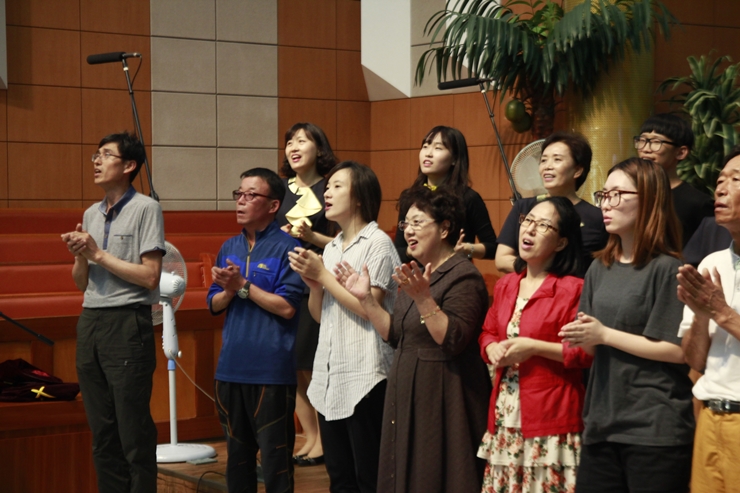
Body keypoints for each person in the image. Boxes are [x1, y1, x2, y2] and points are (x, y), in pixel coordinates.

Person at [337, 188, 491, 493]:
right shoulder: (415, 274)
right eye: (406, 223)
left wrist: (423, 299)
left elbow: (453, 339)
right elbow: (395, 335)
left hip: (445, 397)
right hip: (408, 391)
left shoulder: (464, 276)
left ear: (444, 228)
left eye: (418, 222)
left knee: (436, 476)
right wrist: (366, 299)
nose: (408, 231)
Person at [560, 158, 695, 493]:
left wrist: (604, 334)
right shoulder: (599, 267)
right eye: (604, 195)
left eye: (617, 194)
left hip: (654, 426)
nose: (606, 204)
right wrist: (582, 335)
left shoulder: (668, 269)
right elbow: (592, 347)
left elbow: (676, 350)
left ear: (649, 199)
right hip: (602, 421)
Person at [288, 161, 400, 493]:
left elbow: (370, 309)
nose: (328, 192)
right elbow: (320, 315)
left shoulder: (377, 243)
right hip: (331, 374)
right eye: (328, 187)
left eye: (338, 186)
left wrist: (323, 276)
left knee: (369, 477)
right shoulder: (333, 246)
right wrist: (315, 286)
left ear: (360, 197)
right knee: (339, 478)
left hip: (366, 374)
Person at [61, 132, 164, 493]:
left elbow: (150, 277)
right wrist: (80, 256)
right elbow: (81, 283)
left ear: (129, 165)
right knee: (102, 431)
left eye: (106, 155)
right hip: (91, 321)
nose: (96, 161)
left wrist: (98, 254)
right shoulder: (90, 213)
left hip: (127, 322)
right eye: (96, 155)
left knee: (132, 430)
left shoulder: (146, 209)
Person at [478, 196, 592, 492]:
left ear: (562, 242)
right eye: (527, 221)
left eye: (543, 225)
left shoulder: (574, 289)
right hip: (505, 411)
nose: (529, 229)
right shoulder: (506, 285)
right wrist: (491, 348)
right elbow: (488, 332)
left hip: (551, 414)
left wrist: (534, 347)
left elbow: (584, 352)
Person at [207, 168, 304, 493]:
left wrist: (242, 285)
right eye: (239, 194)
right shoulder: (228, 246)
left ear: (273, 205)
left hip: (271, 372)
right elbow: (214, 304)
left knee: (276, 465)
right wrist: (230, 290)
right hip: (230, 370)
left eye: (251, 195)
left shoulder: (289, 248)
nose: (241, 201)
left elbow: (287, 307)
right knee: (237, 463)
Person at [677, 148, 740, 493]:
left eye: (735, 180)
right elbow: (694, 359)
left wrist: (721, 312)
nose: (720, 188)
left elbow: (722, 312)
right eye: (720, 180)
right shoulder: (710, 264)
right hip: (711, 418)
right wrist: (701, 317)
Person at [276, 122, 337, 465]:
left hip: (314, 285)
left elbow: (343, 241)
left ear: (319, 148)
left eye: (302, 141)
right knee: (292, 369)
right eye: (290, 142)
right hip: (281, 285)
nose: (294, 147)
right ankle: (311, 436)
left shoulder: (331, 187)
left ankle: (326, 439)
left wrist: (310, 237)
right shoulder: (279, 188)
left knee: (311, 365)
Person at [496, 131, 607, 277]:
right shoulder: (523, 207)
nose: (547, 166)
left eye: (557, 159)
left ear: (578, 170)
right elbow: (502, 259)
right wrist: (540, 268)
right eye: (543, 160)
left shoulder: (597, 217)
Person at [395, 125, 497, 263]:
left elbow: (493, 247)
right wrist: (416, 248)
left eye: (438, 148)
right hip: (421, 273)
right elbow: (398, 252)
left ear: (454, 159)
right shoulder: (410, 196)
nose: (428, 153)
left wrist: (465, 248)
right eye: (425, 146)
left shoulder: (468, 197)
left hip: (456, 270)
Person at [635, 113, 714, 246]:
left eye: (656, 142)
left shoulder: (698, 204)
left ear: (681, 152)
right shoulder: (629, 194)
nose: (646, 149)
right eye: (642, 141)